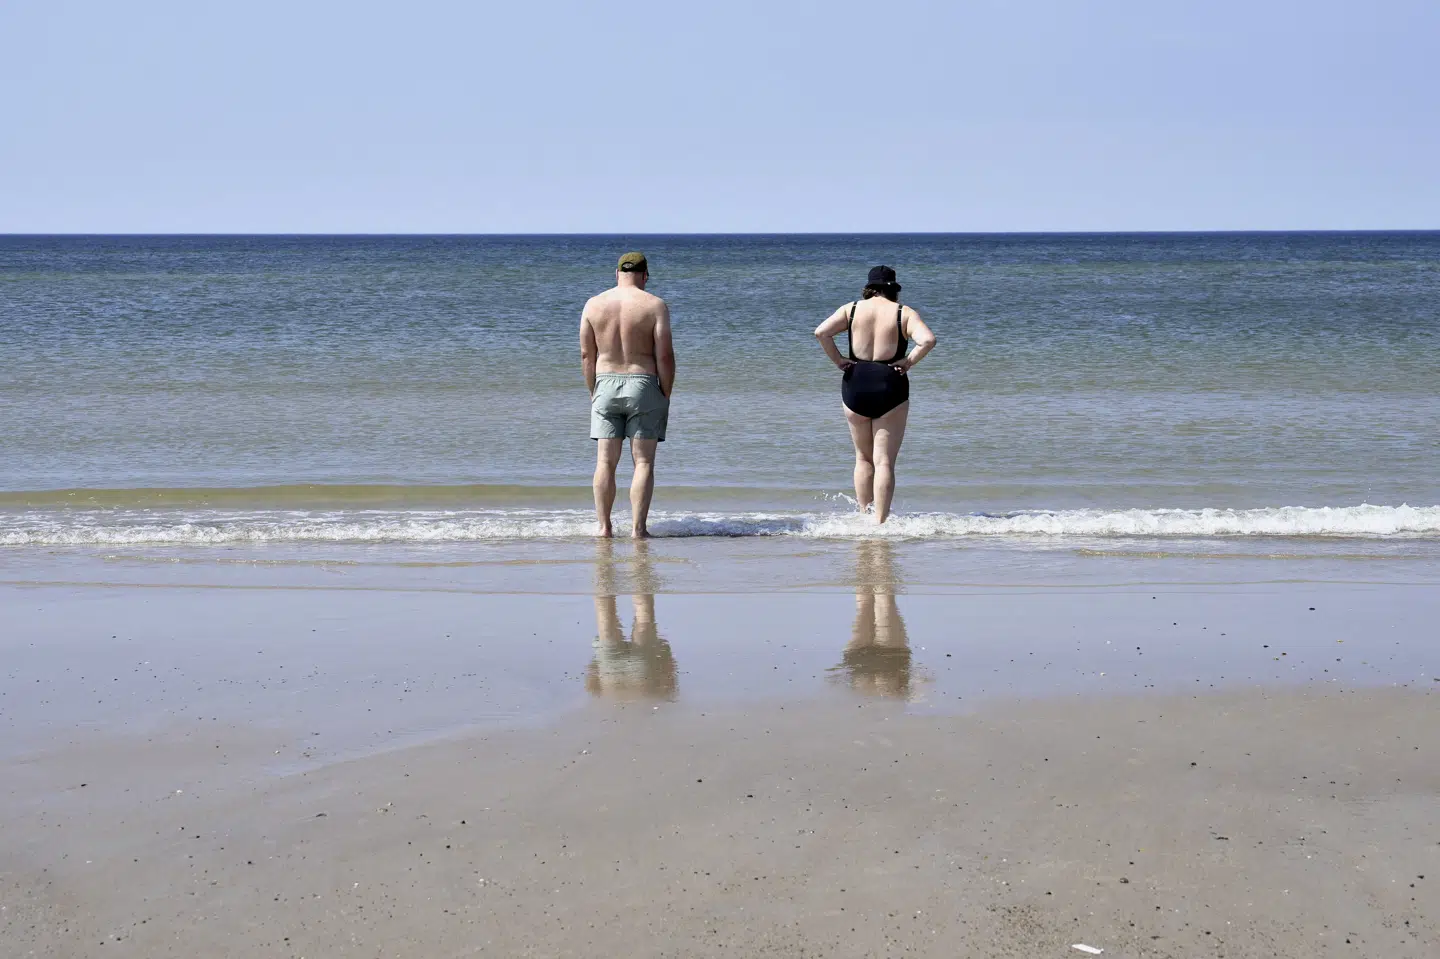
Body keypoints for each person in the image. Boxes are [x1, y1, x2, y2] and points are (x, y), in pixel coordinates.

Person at [814, 265, 936, 523]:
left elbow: (821, 332)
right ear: (893, 288)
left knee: (862, 457)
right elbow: (927, 340)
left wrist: (838, 360)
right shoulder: (903, 312)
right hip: (890, 382)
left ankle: (862, 517)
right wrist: (908, 361)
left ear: (869, 288)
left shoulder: (852, 309)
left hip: (855, 382)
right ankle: (880, 522)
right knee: (884, 462)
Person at [580, 252, 676, 538]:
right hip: (643, 382)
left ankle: (604, 528)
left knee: (605, 462)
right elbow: (665, 356)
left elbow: (587, 354)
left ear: (617, 273)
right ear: (645, 275)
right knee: (643, 462)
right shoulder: (655, 305)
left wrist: (593, 390)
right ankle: (638, 530)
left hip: (605, 382)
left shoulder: (593, 304)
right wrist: (665, 393)